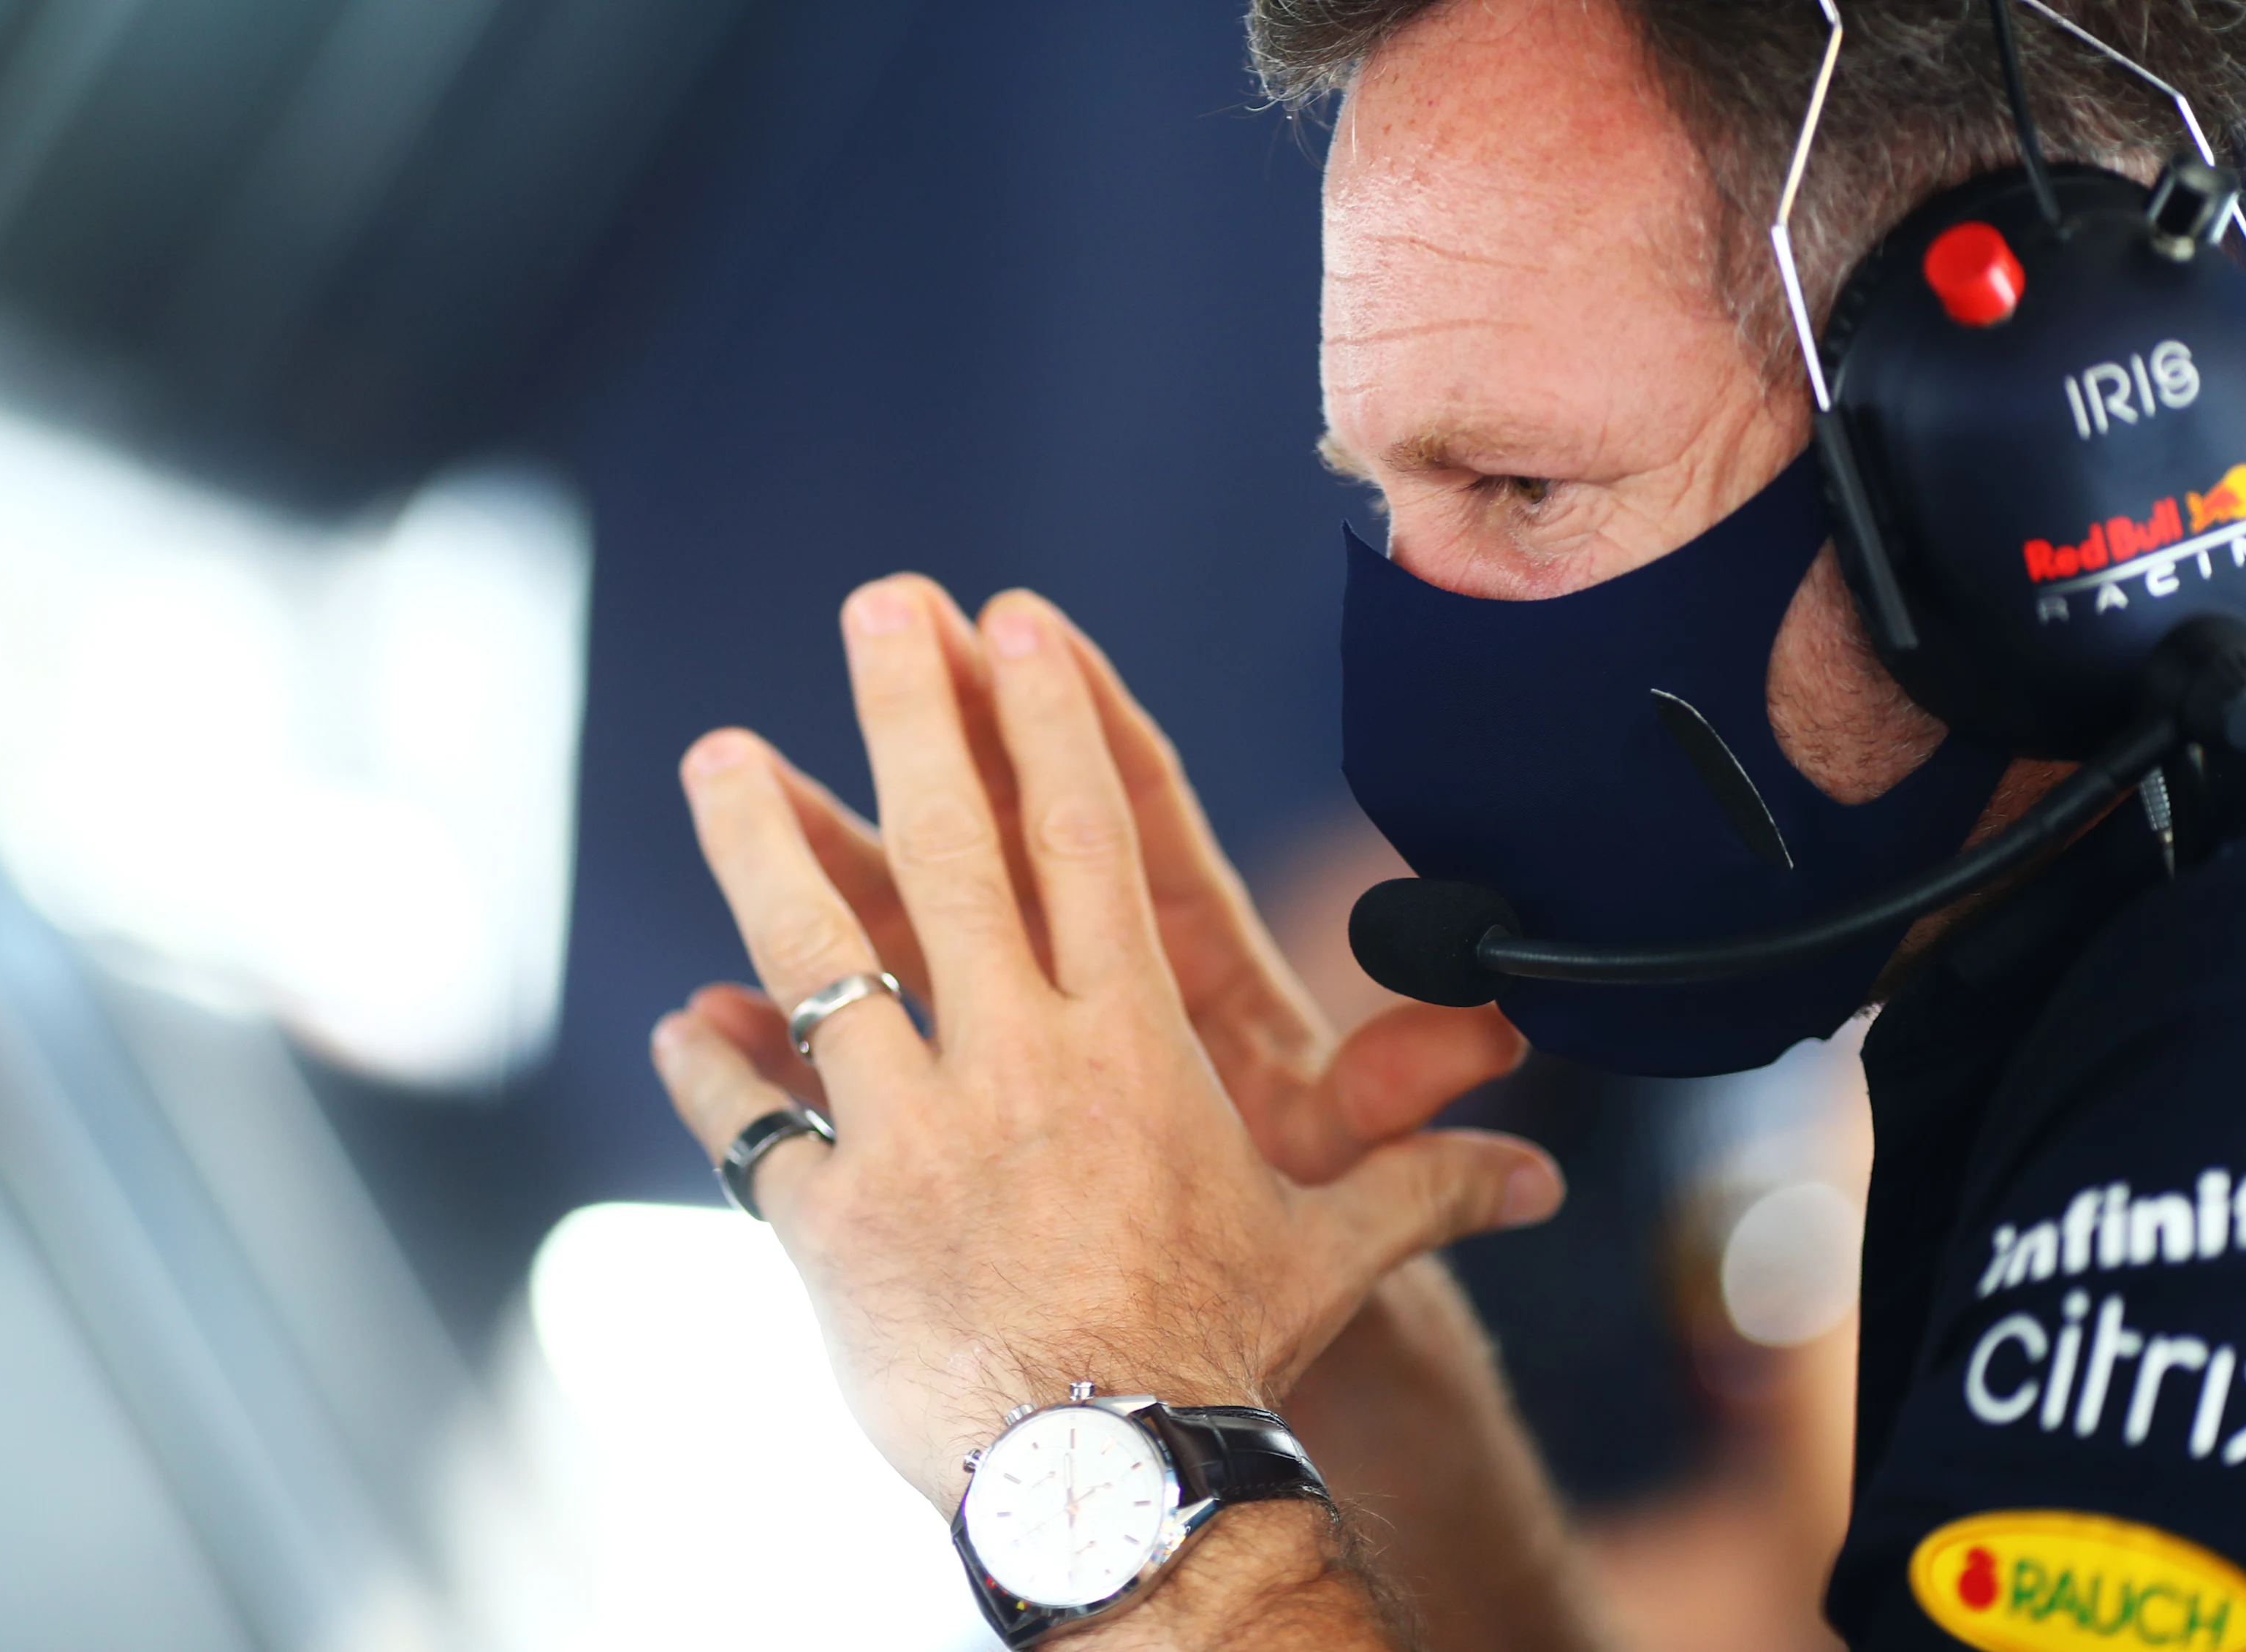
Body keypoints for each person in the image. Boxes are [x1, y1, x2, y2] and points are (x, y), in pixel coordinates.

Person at [647, 1, 2246, 1645]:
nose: (1419, 678)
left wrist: (1116, 1450)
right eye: (1382, 500)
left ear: (2054, 421)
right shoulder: (2081, 976)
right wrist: (1296, 1374)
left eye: (1518, 488)